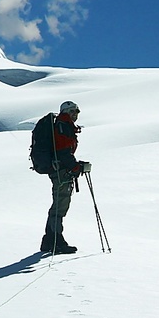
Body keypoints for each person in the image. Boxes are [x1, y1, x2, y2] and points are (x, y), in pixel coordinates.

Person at [41, 101, 90, 254]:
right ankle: (57, 241)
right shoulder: (63, 126)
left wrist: (76, 166)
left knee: (58, 204)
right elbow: (63, 152)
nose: (75, 114)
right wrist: (76, 168)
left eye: (77, 111)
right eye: (73, 111)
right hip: (61, 172)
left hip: (58, 170)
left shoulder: (62, 125)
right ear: (66, 112)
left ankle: (49, 240)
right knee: (60, 206)